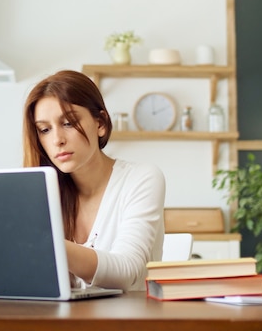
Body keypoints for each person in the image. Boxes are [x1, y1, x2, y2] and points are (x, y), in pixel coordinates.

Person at [22, 70, 165, 291]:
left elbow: (125, 272)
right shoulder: (42, 192)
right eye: (45, 130)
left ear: (101, 124)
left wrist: (43, 244)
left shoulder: (141, 178)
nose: (57, 140)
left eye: (68, 123)